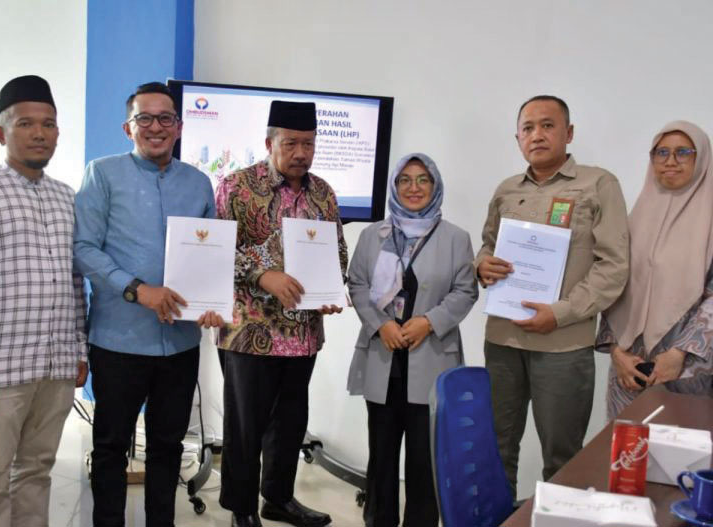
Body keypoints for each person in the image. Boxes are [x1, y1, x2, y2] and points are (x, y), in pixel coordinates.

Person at [73, 81, 222, 527]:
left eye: (165, 118)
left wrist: (211, 301)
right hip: (118, 341)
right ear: (128, 127)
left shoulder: (199, 183)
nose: (156, 127)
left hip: (180, 343)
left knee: (168, 446)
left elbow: (211, 255)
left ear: (179, 126)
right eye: (145, 118)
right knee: (110, 447)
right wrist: (138, 290)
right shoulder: (102, 174)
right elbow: (83, 248)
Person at [0, 75, 87, 527]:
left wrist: (79, 351)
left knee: (37, 470)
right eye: (25, 123)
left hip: (56, 366)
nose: (39, 133)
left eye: (48, 124)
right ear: (1, 133)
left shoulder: (67, 198)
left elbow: (75, 283)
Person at [475, 95, 630, 497]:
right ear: (517, 138)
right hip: (503, 341)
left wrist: (560, 313)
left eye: (547, 125)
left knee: (563, 459)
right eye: (527, 128)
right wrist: (482, 264)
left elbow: (613, 266)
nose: (537, 135)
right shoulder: (507, 189)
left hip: (562, 345)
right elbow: (488, 245)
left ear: (569, 133)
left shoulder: (598, 184)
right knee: (496, 449)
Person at [215, 100, 347, 527]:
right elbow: (218, 251)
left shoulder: (323, 192)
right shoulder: (237, 187)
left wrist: (331, 288)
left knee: (290, 423)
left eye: (308, 144)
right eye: (291, 143)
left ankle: (278, 498)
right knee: (246, 427)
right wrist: (263, 275)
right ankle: (241, 508)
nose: (301, 153)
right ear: (269, 142)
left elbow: (337, 251)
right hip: (250, 331)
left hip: (303, 333)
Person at [347, 153, 478, 527]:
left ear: (435, 186)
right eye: (405, 180)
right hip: (384, 357)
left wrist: (429, 322)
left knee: (425, 459)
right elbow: (357, 284)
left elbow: (466, 291)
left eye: (423, 180)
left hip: (431, 357)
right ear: (394, 186)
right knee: (381, 456)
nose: (414, 187)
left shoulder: (456, 238)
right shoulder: (373, 235)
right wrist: (380, 325)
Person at [597, 121, 713, 419]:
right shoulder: (636, 218)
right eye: (662, 152)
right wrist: (616, 352)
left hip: (690, 369)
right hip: (629, 368)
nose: (670, 161)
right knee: (627, 441)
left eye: (683, 152)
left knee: (682, 444)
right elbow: (613, 283)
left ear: (701, 158)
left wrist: (679, 354)